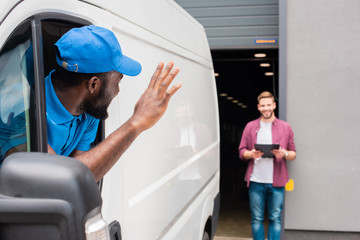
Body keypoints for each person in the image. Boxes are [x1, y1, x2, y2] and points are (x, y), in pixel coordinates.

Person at [46, 25, 182, 181]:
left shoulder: (88, 112)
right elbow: (61, 180)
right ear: (93, 85)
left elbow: (82, 165)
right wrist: (135, 123)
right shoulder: (25, 113)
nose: (117, 91)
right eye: (117, 82)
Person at [238, 91, 296, 240]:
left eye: (269, 105)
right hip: (256, 181)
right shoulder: (250, 126)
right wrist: (250, 154)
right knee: (256, 218)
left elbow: (293, 154)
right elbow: (241, 151)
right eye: (263, 106)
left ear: (274, 105)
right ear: (258, 107)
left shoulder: (285, 127)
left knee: (275, 218)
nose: (266, 108)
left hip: (277, 182)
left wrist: (284, 153)